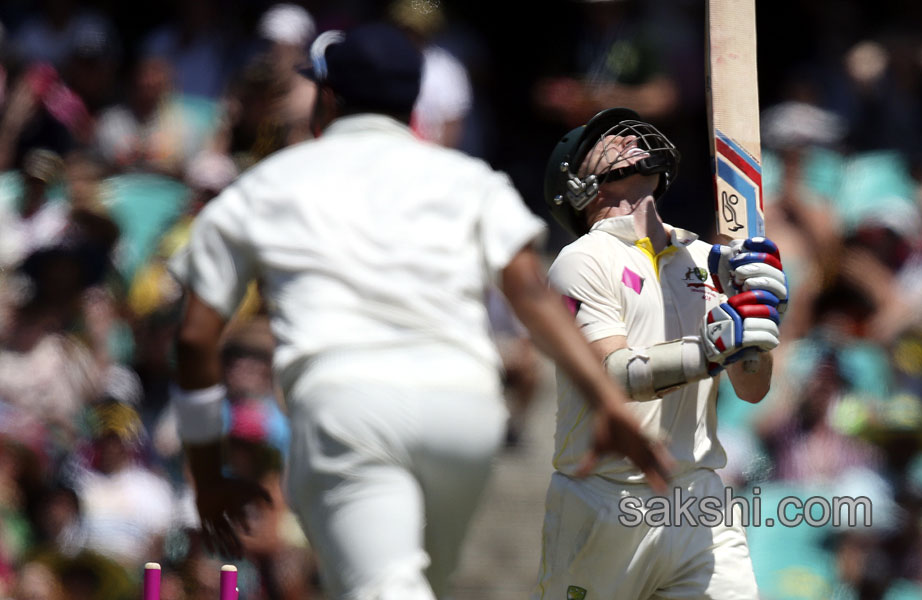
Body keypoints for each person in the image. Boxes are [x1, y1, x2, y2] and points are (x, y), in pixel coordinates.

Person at [169, 23, 670, 600]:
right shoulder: (469, 180)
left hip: (347, 406)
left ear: (327, 99)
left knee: (385, 588)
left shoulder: (268, 184)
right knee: (410, 584)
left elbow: (195, 337)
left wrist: (207, 478)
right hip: (463, 412)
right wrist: (605, 399)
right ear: (412, 104)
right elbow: (531, 295)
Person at [532, 108, 790, 599]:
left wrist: (759, 323)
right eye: (606, 139)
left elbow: (752, 389)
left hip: (699, 498)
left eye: (629, 131)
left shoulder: (706, 258)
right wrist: (714, 348)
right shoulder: (581, 259)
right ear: (577, 184)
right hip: (607, 498)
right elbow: (611, 376)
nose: (629, 135)